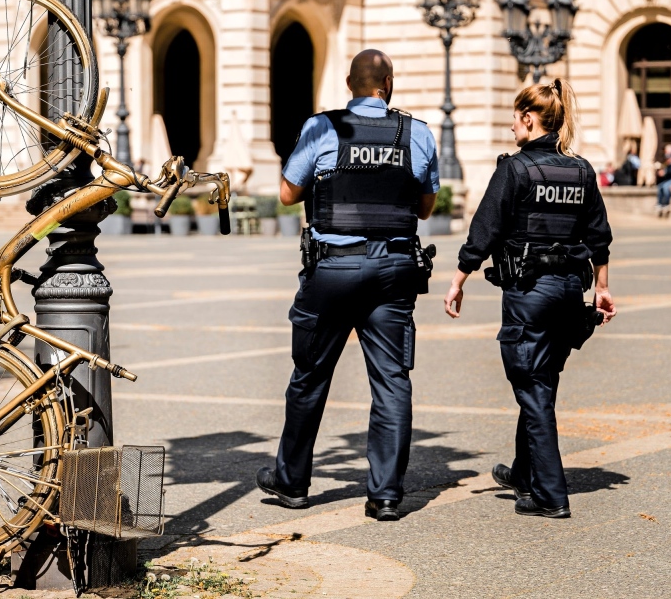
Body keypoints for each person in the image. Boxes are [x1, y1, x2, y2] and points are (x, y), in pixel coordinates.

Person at [255, 49, 439, 522]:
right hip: (394, 270)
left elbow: (286, 193)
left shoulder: (322, 128)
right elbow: (425, 208)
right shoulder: (415, 133)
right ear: (388, 83)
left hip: (333, 270)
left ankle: (292, 484)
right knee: (392, 382)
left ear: (348, 83)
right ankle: (385, 496)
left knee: (309, 378)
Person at [443, 78, 615, 519]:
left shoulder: (514, 170)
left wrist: (458, 279)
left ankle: (551, 496)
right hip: (567, 292)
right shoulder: (581, 170)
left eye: (513, 120)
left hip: (528, 293)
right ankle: (524, 472)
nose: (510, 129)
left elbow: (484, 230)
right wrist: (603, 287)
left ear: (528, 118)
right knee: (543, 382)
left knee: (532, 388)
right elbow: (599, 237)